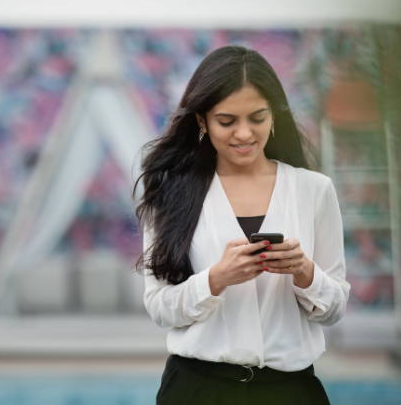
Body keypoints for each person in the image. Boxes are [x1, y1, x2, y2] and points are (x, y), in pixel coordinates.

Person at [132, 45, 350, 404]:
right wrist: (216, 279)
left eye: (257, 118)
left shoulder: (314, 190)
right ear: (201, 120)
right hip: (197, 389)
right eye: (227, 121)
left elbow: (335, 308)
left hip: (290, 392)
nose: (244, 134)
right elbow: (160, 307)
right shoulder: (171, 192)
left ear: (274, 116)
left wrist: (304, 272)